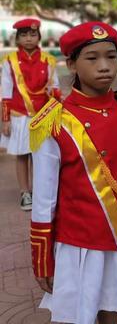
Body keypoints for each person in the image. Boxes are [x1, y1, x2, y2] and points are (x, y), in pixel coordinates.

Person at [29, 21, 117, 324]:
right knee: (80, 312)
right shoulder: (55, 122)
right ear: (71, 63)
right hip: (81, 239)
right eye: (92, 58)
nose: (105, 66)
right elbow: (44, 198)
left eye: (111, 56)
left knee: (114, 305)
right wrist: (42, 258)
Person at [0, 18, 60, 211]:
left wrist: (56, 106)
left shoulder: (48, 60)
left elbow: (55, 87)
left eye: (32, 34)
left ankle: (41, 191)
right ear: (17, 39)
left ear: (39, 37)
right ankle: (25, 192)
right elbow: (6, 91)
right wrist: (6, 119)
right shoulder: (9, 61)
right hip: (20, 115)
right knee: (22, 155)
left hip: (42, 115)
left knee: (41, 154)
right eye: (24, 35)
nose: (28, 39)